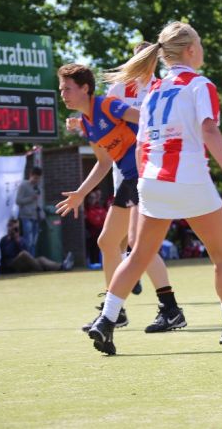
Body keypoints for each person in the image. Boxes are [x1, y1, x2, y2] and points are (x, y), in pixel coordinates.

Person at [86, 21, 222, 354]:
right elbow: (209, 129)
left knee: (138, 256)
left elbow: (140, 144)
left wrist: (144, 181)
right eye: (200, 44)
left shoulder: (153, 90)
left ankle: (106, 319)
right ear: (191, 50)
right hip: (189, 178)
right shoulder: (200, 84)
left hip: (151, 180)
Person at [56, 60, 187, 334]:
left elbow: (146, 118)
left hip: (144, 175)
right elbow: (104, 163)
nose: (62, 94)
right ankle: (117, 312)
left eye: (67, 88)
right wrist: (81, 193)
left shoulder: (107, 105)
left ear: (85, 88)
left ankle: (168, 309)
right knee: (108, 242)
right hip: (129, 180)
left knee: (138, 244)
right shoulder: (88, 124)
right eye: (61, 89)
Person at [0, 219, 74, 273]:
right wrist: (10, 239)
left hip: (23, 264)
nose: (14, 231)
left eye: (16, 229)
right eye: (12, 228)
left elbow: (26, 251)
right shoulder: (4, 240)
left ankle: (62, 266)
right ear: (8, 227)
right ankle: (40, 269)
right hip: (11, 265)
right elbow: (6, 254)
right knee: (23, 254)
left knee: (41, 259)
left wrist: (17, 241)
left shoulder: (20, 239)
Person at [15, 166, 44, 256]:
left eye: (38, 178)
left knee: (34, 242)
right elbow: (18, 201)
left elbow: (38, 202)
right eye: (35, 178)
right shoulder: (23, 185)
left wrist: (42, 213)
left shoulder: (38, 187)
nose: (36, 180)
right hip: (26, 216)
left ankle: (32, 260)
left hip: (36, 217)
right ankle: (27, 259)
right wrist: (31, 198)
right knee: (28, 241)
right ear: (30, 175)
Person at [84, 189, 107, 264]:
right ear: (87, 199)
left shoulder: (99, 208)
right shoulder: (85, 209)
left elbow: (105, 219)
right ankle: (92, 262)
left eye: (94, 198)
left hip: (99, 233)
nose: (92, 200)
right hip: (91, 235)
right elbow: (93, 221)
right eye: (90, 198)